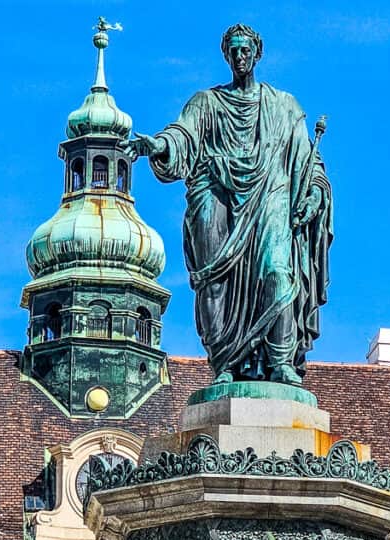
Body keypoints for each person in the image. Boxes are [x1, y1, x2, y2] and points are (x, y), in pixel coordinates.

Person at [125, 24, 332, 386]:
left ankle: (281, 360)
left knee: (277, 272)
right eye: (233, 50)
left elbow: (307, 161)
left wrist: (314, 192)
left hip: (271, 196)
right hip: (217, 193)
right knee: (213, 282)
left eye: (245, 50)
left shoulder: (284, 106)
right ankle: (225, 363)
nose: (239, 56)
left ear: (258, 53)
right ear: (226, 55)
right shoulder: (207, 102)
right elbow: (182, 134)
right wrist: (157, 146)